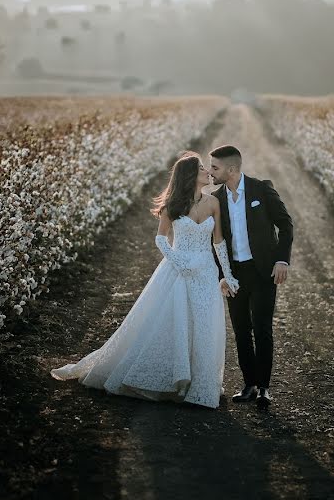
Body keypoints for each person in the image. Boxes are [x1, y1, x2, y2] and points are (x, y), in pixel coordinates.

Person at [49, 151, 239, 409]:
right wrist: (178, 260)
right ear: (190, 176)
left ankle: (200, 384)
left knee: (204, 324)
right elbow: (160, 239)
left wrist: (227, 275)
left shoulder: (212, 203)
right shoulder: (172, 205)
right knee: (174, 323)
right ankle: (172, 380)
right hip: (177, 270)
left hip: (205, 272)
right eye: (203, 169)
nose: (208, 172)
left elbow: (218, 242)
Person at [208, 145, 293, 408]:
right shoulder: (215, 199)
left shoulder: (261, 189)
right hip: (235, 275)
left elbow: (285, 224)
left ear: (231, 169)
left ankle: (265, 387)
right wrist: (223, 275)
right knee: (241, 329)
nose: (210, 172)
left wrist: (282, 260)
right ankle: (249, 385)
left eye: (215, 167)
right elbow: (214, 241)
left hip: (263, 271)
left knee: (262, 328)